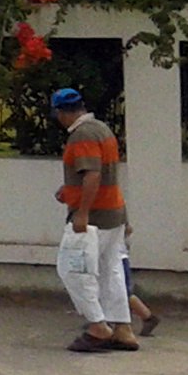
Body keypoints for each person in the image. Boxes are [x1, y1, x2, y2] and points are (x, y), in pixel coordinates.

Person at [51, 87, 137, 352]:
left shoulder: (82, 135)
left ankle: (98, 326)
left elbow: (92, 174)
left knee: (73, 270)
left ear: (61, 112)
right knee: (111, 271)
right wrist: (69, 191)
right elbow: (109, 174)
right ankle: (122, 328)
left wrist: (82, 212)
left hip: (94, 218)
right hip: (114, 213)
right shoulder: (101, 128)